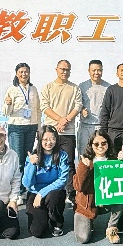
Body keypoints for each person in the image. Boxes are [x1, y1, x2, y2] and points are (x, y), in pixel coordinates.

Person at [40, 59, 82, 205]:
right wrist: (59, 120)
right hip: (51, 132)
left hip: (68, 132)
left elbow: (78, 106)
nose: (65, 72)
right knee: (49, 162)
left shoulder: (75, 88)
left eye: (67, 69)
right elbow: (44, 107)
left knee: (69, 163)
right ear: (56, 69)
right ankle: (46, 191)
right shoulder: (48, 87)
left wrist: (66, 120)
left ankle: (70, 193)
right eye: (62, 69)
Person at [2, 62, 41, 204]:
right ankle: (16, 192)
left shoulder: (33, 89)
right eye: (21, 72)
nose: (24, 74)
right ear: (16, 74)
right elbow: (6, 112)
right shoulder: (12, 89)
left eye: (26, 72)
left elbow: (37, 110)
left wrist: (39, 128)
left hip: (31, 126)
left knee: (27, 159)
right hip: (16, 127)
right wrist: (8, 104)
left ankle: (24, 189)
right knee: (17, 160)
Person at [22, 125, 69, 238]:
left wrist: (42, 193)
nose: (49, 142)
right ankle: (45, 215)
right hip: (35, 193)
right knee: (37, 231)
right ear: (40, 140)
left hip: (53, 193)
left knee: (54, 196)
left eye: (52, 139)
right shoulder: (32, 156)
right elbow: (27, 183)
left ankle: (56, 222)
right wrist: (32, 165)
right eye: (45, 139)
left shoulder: (62, 155)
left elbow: (62, 180)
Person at [73, 130, 119, 244]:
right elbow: (78, 187)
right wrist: (84, 167)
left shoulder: (113, 160)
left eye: (103, 143)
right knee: (83, 238)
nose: (100, 146)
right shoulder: (86, 160)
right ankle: (87, 220)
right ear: (91, 145)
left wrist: (121, 162)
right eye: (96, 144)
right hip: (87, 205)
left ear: (108, 144)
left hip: (107, 201)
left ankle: (111, 227)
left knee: (121, 198)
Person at [77, 60, 111, 160]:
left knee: (101, 155)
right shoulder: (82, 86)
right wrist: (81, 110)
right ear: (89, 71)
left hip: (101, 126)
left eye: (99, 70)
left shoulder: (108, 87)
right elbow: (77, 104)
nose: (96, 73)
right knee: (84, 155)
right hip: (85, 126)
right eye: (93, 70)